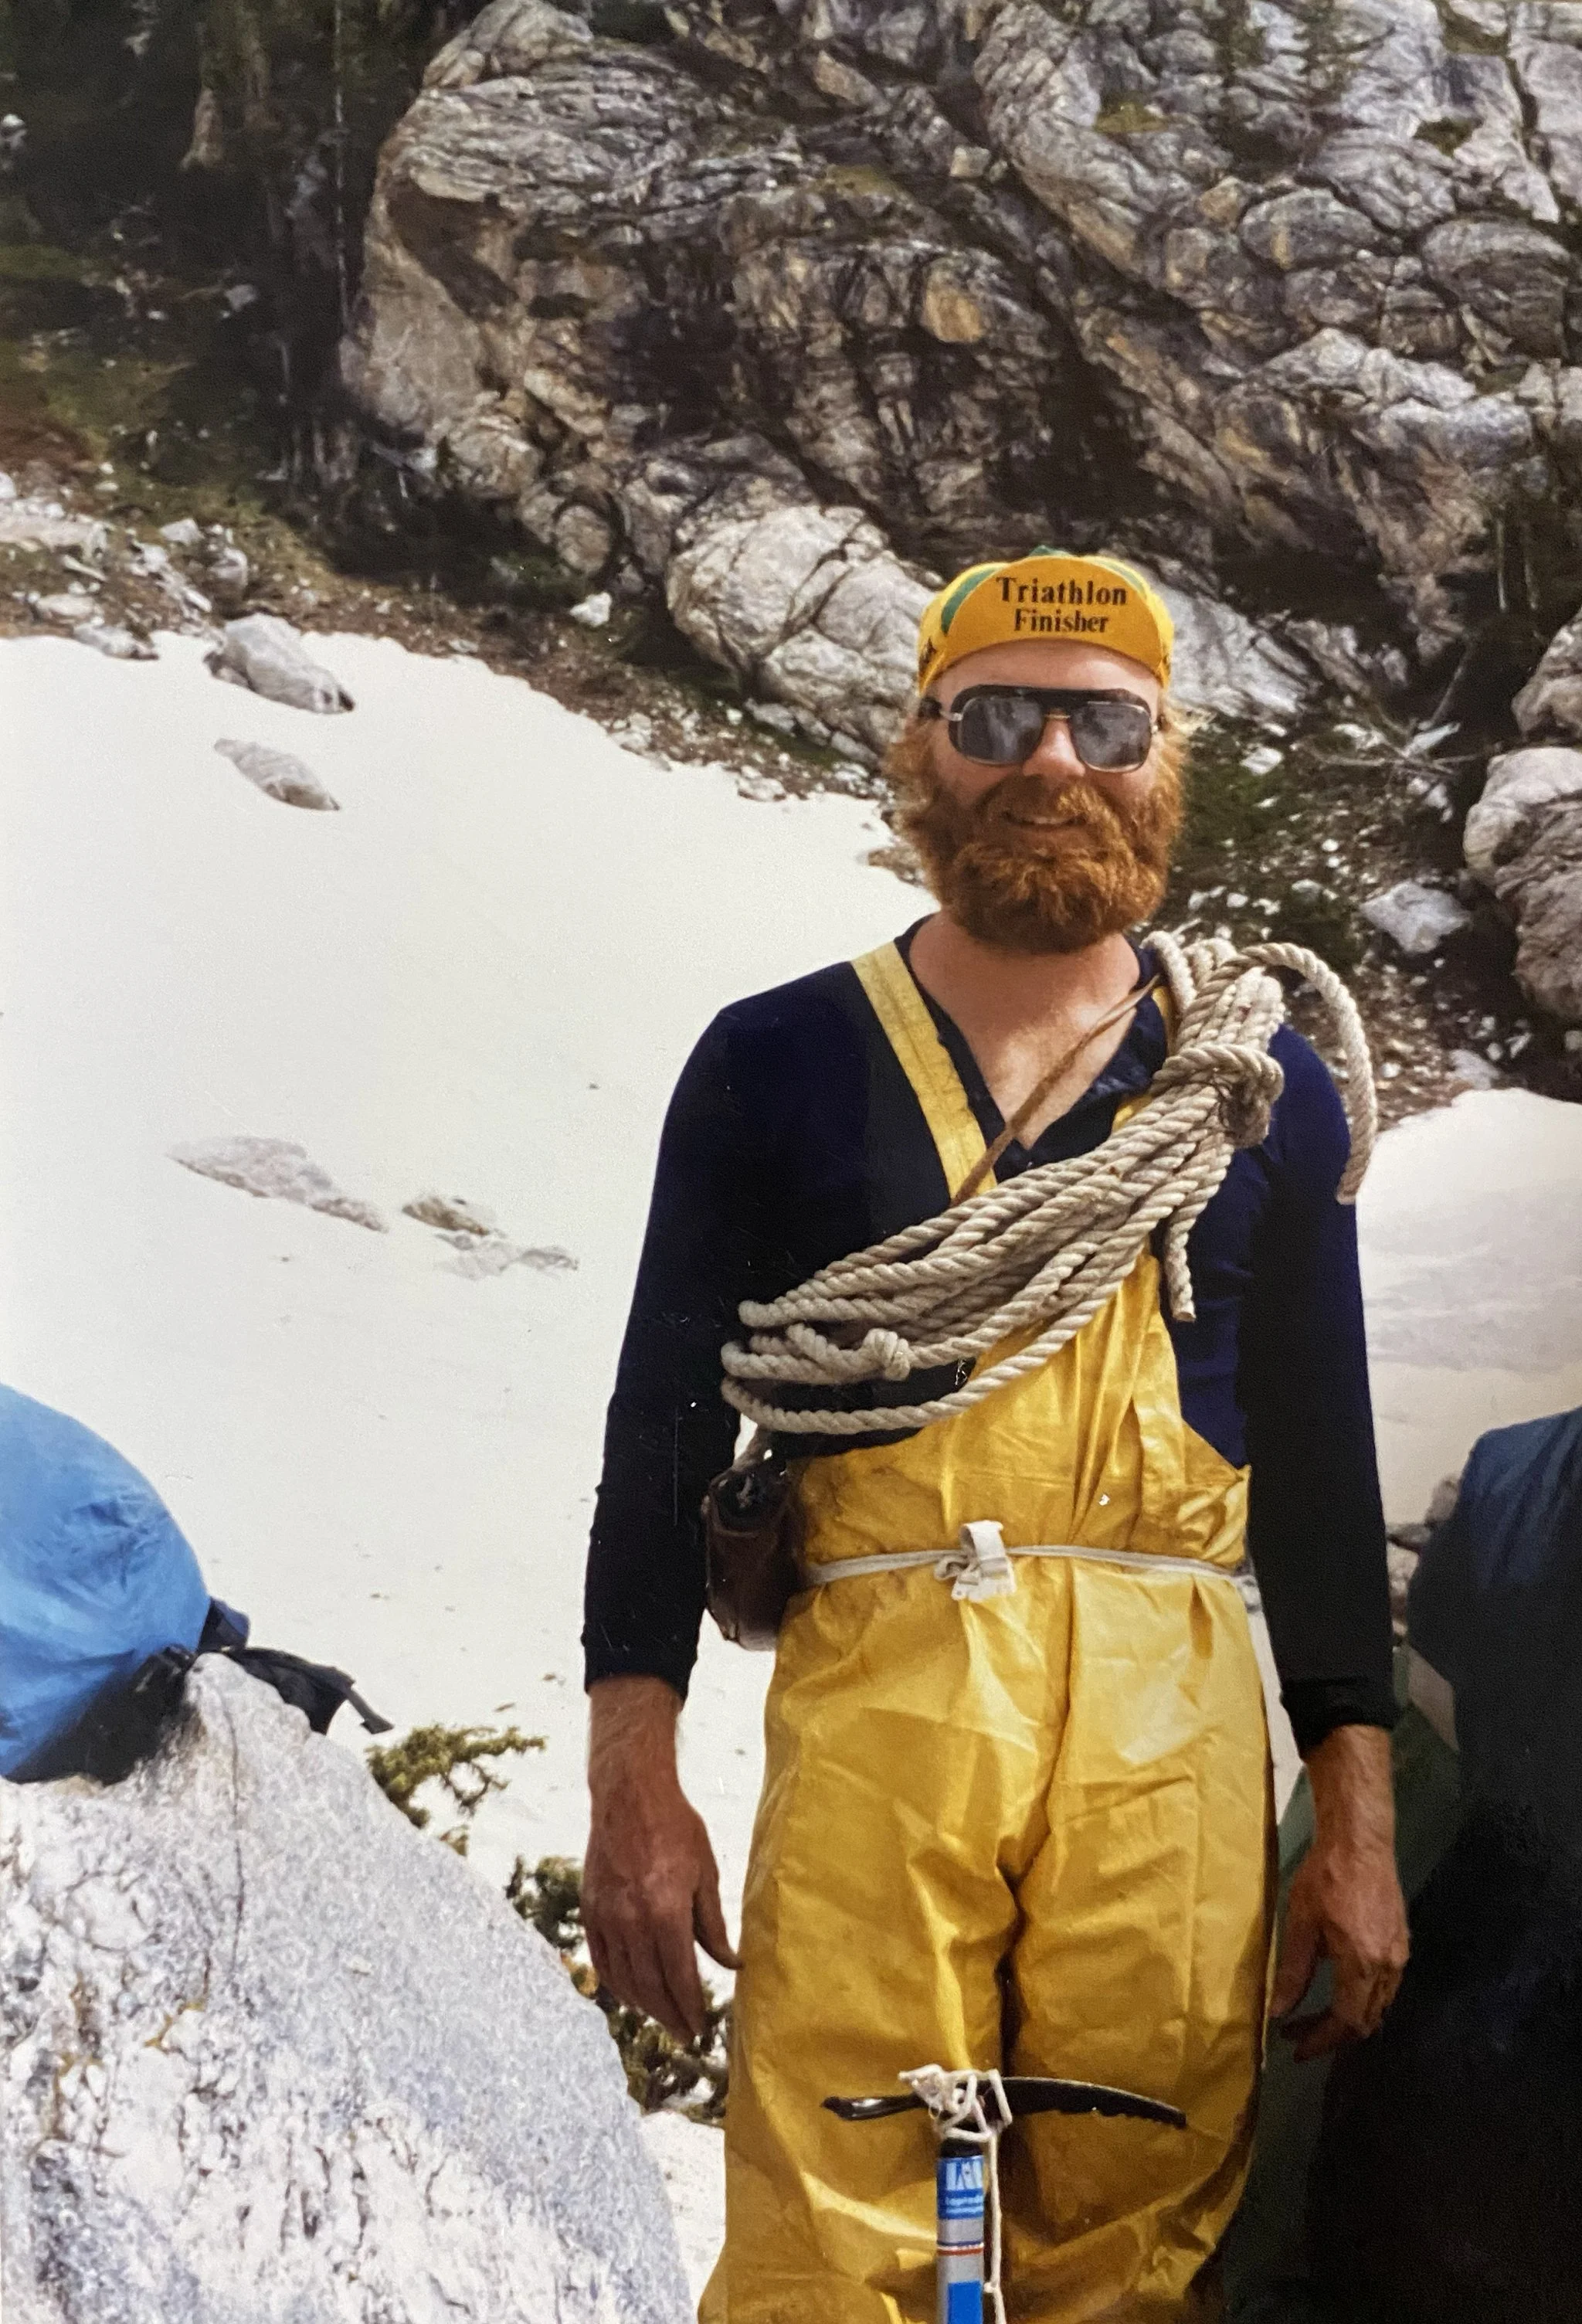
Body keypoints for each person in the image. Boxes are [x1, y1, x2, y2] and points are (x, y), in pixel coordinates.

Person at [581, 549, 1408, 2319]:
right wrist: (630, 1776)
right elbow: (661, 1429)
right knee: (832, 2226)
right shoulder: (775, 1060)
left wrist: (1354, 1813)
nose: (1051, 761)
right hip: (884, 1685)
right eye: (996, 716)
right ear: (922, 749)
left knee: (1137, 2229)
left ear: (1163, 753)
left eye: (1103, 719)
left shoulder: (1251, 1089)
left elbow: (1322, 1477)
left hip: (1167, 1716)